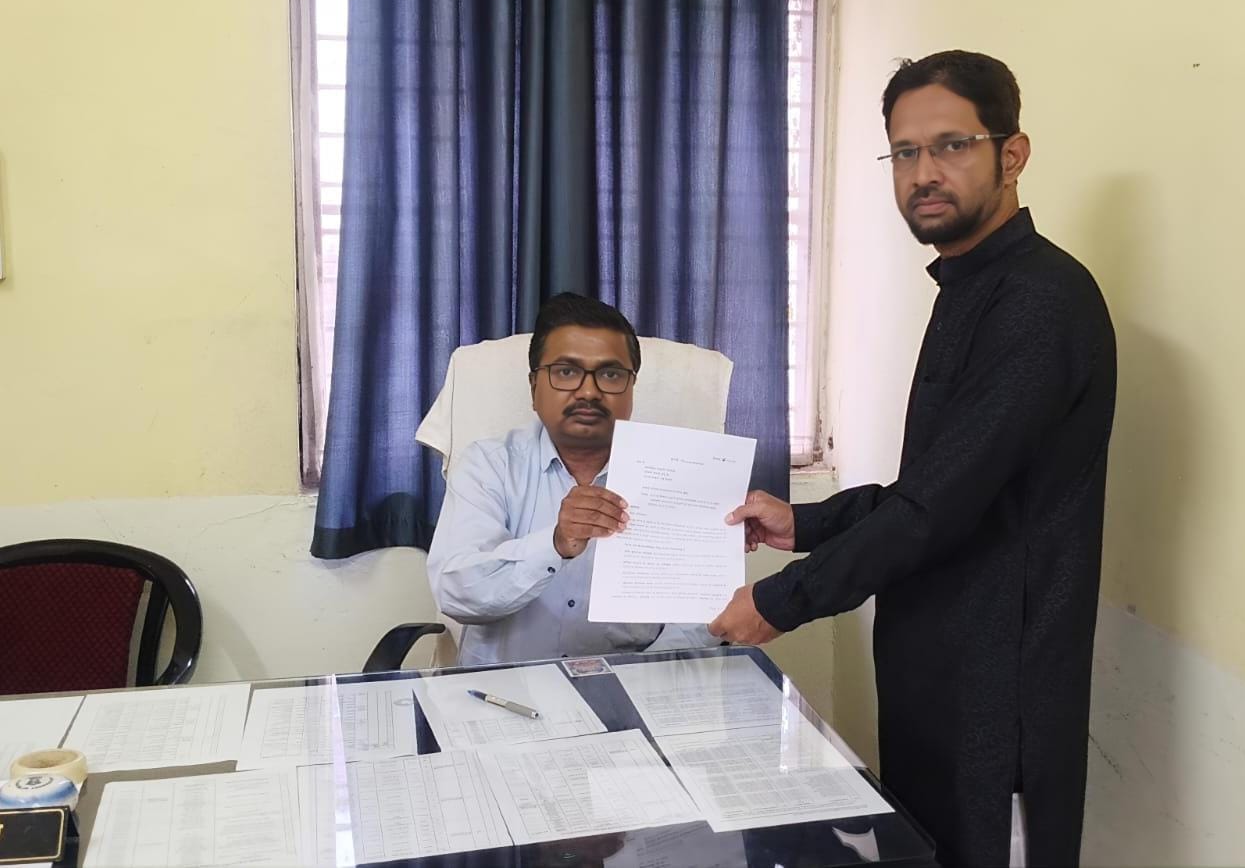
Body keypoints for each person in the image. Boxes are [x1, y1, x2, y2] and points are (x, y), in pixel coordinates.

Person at [708, 51, 1117, 868]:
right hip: (932, 685)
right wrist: (804, 523)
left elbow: (937, 506)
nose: (924, 172)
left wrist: (781, 601)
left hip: (998, 708)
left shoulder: (1040, 302)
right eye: (905, 151)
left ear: (1012, 154)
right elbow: (934, 486)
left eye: (952, 145)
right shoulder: (969, 288)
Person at [428, 292, 718, 666]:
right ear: (534, 387)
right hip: (505, 690)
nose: (588, 391)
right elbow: (457, 592)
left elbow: (699, 619)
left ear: (631, 389)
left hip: (633, 687)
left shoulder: (679, 478)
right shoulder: (488, 466)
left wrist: (639, 677)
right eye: (566, 372)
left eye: (610, 374)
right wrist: (555, 544)